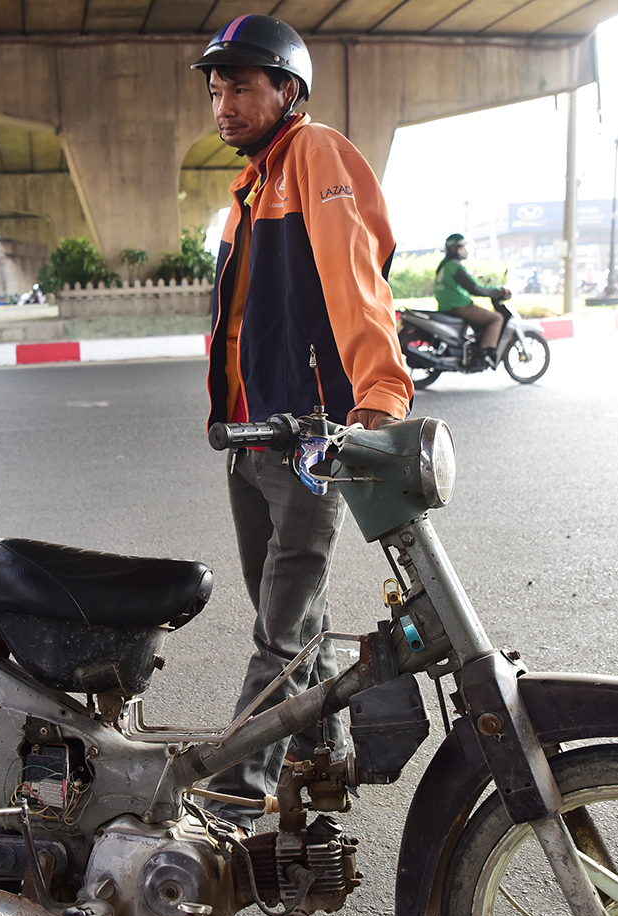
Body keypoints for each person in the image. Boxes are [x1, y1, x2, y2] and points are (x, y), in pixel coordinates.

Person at [194, 15, 413, 834]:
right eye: (217, 90)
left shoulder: (315, 156)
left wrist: (381, 394)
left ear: (287, 90)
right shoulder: (247, 189)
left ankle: (229, 795)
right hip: (252, 443)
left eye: (241, 86)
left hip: (311, 438)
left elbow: (358, 278)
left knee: (281, 628)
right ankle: (312, 762)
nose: (224, 104)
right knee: (296, 620)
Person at [433, 234, 511, 368]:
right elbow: (474, 288)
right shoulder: (454, 265)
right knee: (496, 318)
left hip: (446, 305)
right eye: (461, 247)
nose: (464, 250)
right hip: (459, 306)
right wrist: (497, 292)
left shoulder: (443, 265)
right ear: (453, 249)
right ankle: (483, 353)